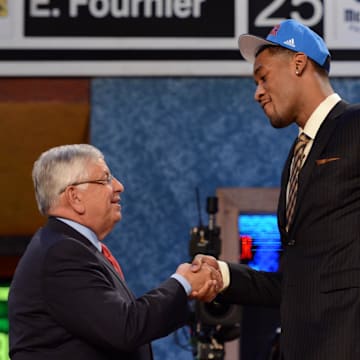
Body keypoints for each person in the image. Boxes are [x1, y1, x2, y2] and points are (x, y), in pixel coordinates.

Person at [192, 19, 360, 360]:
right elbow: (298, 281)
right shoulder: (298, 156)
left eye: (263, 77)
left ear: (299, 63)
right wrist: (223, 275)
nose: (257, 93)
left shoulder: (355, 125)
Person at [8, 143, 222, 360]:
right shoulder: (61, 253)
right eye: (105, 179)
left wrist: (189, 289)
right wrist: (183, 283)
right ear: (75, 197)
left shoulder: (71, 247)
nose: (119, 186)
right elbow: (126, 328)